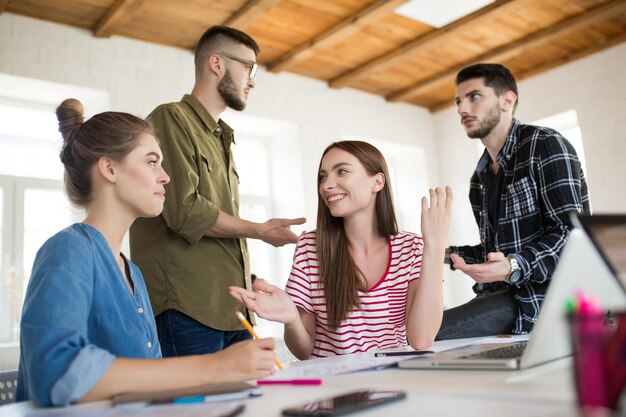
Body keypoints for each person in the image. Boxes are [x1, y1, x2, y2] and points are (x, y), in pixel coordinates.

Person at [16, 99, 276, 407]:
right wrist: (214, 366)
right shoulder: (68, 251)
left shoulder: (134, 274)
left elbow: (147, 386)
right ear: (109, 168)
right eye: (152, 162)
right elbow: (54, 373)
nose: (165, 176)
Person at [129, 26, 305, 357]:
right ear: (216, 64)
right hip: (187, 309)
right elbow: (186, 212)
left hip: (233, 310)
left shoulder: (222, 137)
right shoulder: (170, 119)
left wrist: (245, 275)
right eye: (248, 68)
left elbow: (215, 225)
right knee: (197, 410)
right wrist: (259, 230)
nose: (253, 81)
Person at [229, 141, 452, 359]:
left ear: (377, 182)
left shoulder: (411, 248)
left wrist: (434, 245)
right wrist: (292, 320)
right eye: (323, 177)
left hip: (393, 384)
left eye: (342, 171)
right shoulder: (310, 248)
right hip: (334, 388)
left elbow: (421, 340)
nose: (326, 185)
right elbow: (303, 351)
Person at [436, 63, 590, 340]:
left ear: (507, 100)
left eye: (474, 96)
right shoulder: (478, 180)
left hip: (549, 301)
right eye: (459, 101)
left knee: (425, 334)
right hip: (504, 298)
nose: (461, 108)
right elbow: (494, 253)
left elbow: (572, 236)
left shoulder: (545, 144)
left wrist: (513, 266)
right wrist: (434, 251)